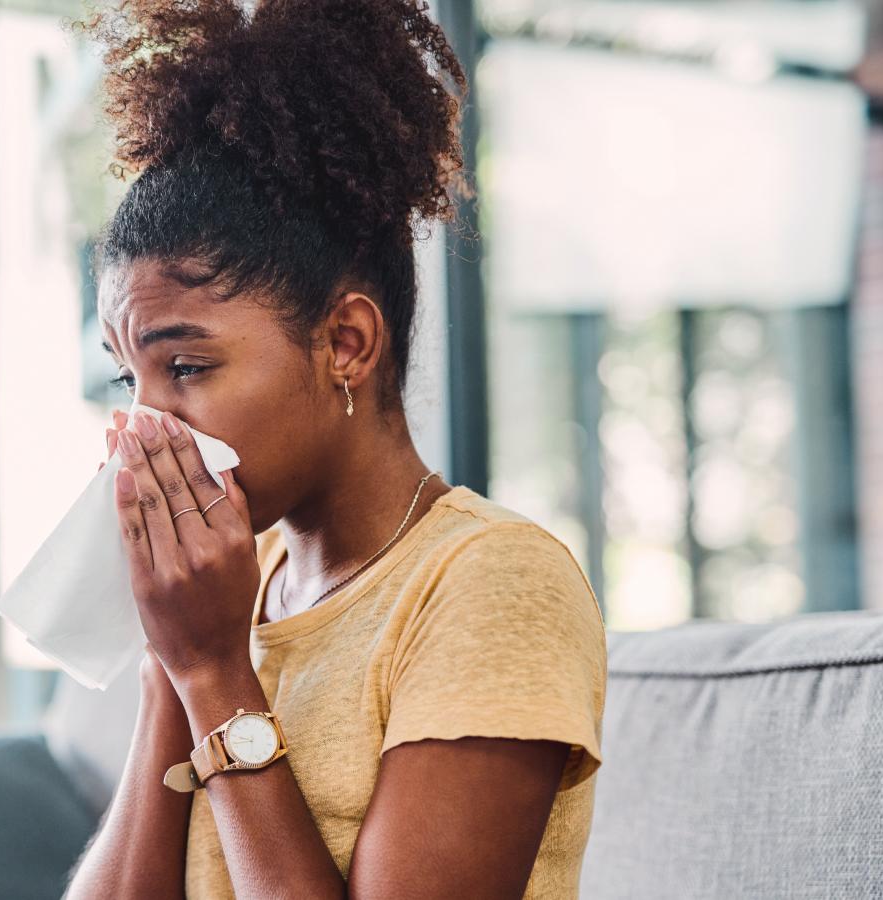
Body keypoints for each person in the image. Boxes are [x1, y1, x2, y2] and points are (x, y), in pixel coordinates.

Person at [62, 1, 607, 897]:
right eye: (128, 381)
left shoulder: (487, 582)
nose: (143, 428)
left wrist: (215, 674)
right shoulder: (237, 584)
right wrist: (175, 657)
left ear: (346, 343)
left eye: (187, 366)